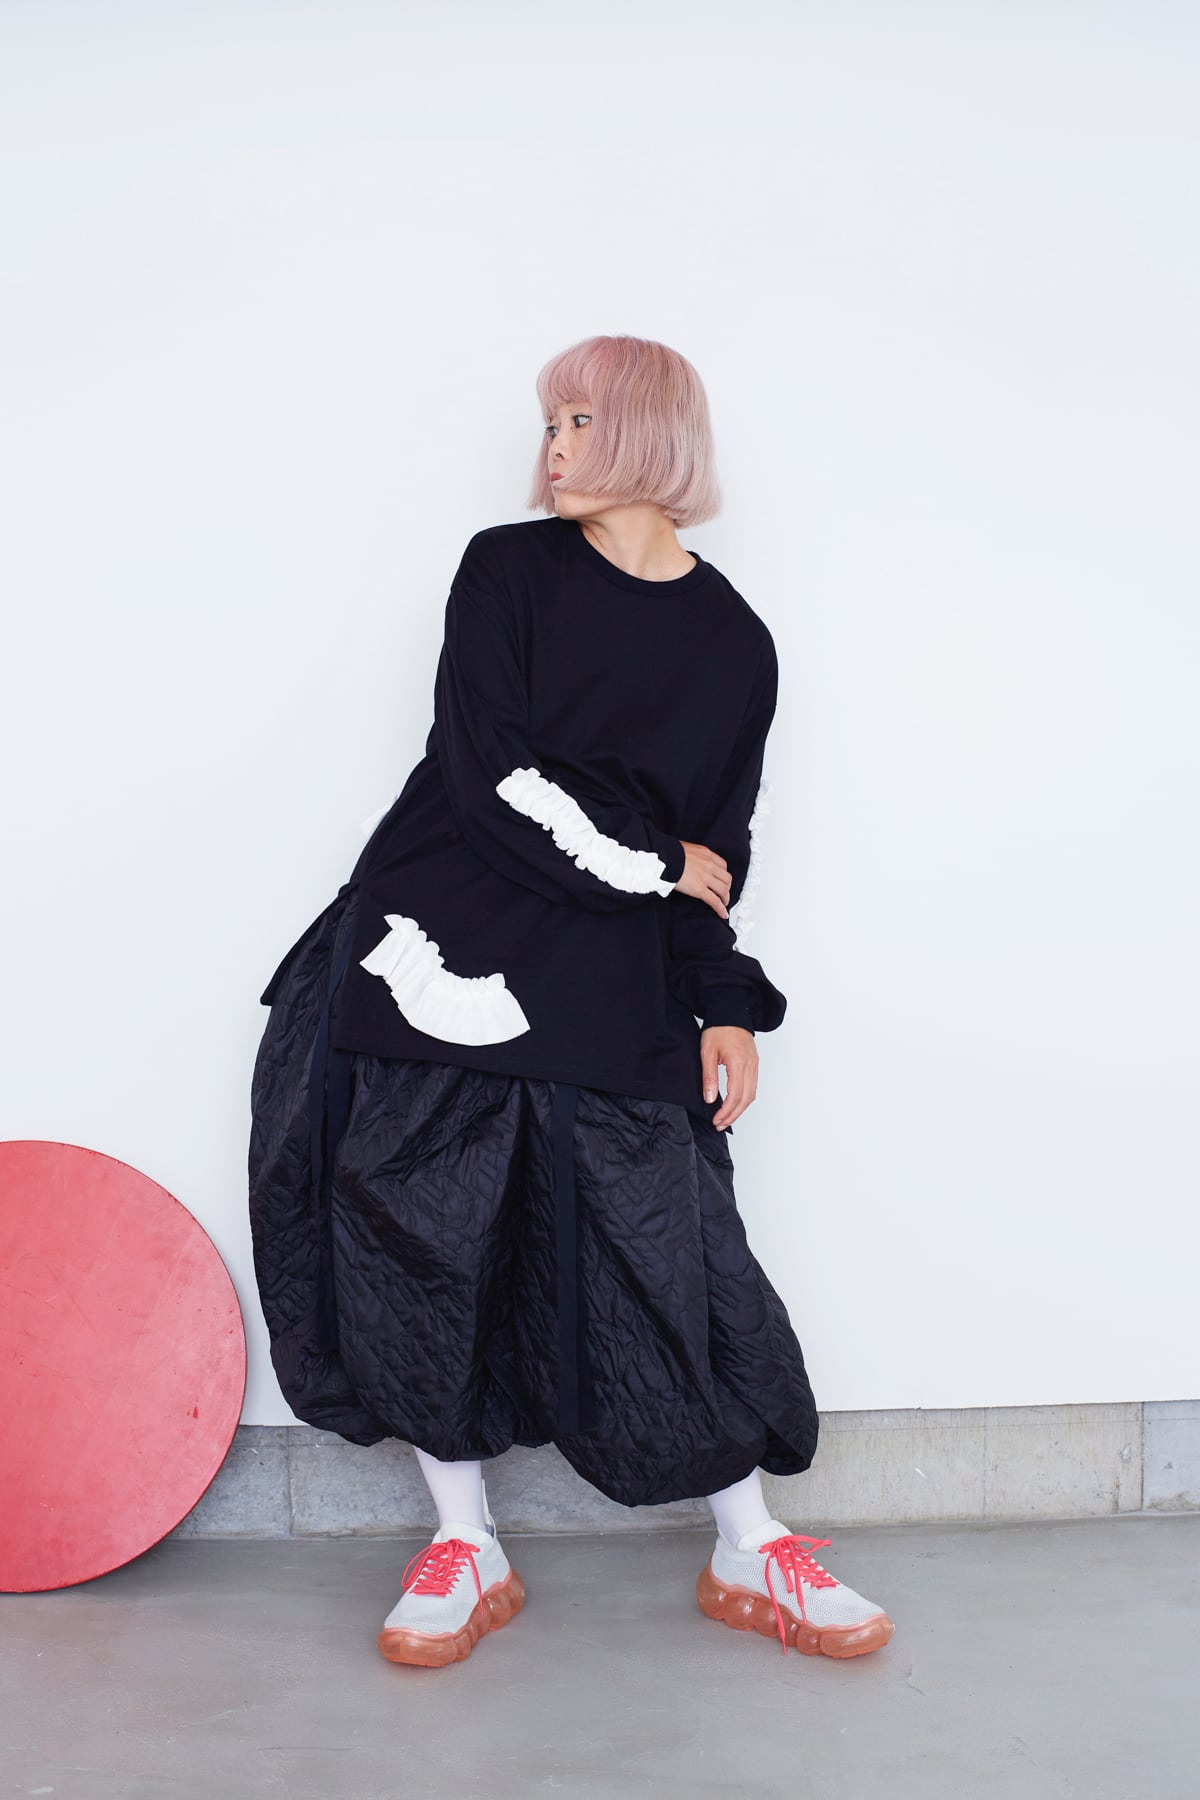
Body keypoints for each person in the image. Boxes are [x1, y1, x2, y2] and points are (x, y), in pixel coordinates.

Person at [247, 333, 895, 1668]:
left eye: (579, 421)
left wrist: (723, 1001)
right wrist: (655, 863)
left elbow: (722, 850)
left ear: (651, 431)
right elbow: (492, 776)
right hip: (442, 951)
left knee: (670, 1253)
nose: (550, 447)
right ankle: (464, 1541)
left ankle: (748, 1542)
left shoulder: (735, 645)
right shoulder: (507, 571)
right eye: (550, 422)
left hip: (610, 983)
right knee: (423, 1244)